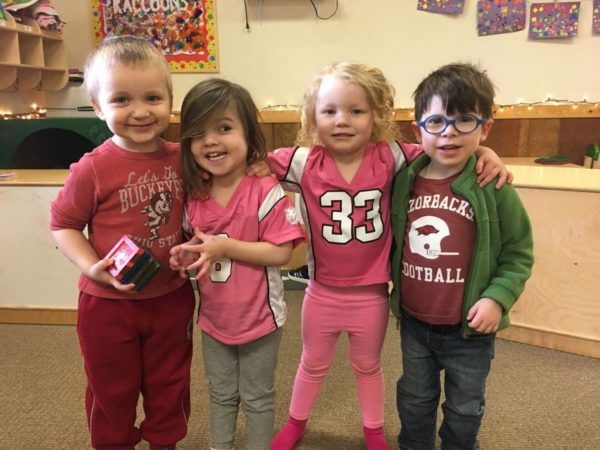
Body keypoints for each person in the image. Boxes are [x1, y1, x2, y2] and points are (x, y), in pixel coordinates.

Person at [254, 61, 510, 450]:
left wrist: (487, 151)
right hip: (321, 292)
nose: (343, 121)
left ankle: (373, 431)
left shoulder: (393, 156)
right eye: (329, 111)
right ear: (312, 118)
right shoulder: (301, 161)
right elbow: (249, 164)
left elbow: (444, 147)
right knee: (312, 363)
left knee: (368, 366)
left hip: (372, 294)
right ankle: (295, 423)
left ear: (376, 117)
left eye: (356, 111)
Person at [49, 36, 195, 450]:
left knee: (170, 381)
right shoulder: (92, 168)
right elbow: (63, 224)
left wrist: (193, 244)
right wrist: (91, 266)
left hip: (171, 297)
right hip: (107, 304)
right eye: (121, 100)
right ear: (98, 107)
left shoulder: (183, 157)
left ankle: (165, 441)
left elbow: (201, 211)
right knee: (111, 387)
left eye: (152, 97)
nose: (140, 111)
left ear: (170, 99)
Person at [390, 63, 534, 450]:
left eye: (464, 120)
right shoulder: (402, 179)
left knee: (465, 407)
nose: (449, 131)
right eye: (436, 121)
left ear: (485, 128)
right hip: (416, 325)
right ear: (417, 129)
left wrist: (497, 298)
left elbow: (519, 253)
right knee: (414, 398)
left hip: (469, 332)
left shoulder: (494, 185)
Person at [169, 78, 305, 450]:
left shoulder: (264, 189)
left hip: (261, 320)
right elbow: (197, 245)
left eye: (224, 128)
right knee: (221, 393)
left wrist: (225, 248)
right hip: (214, 321)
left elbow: (281, 253)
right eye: (198, 133)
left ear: (249, 135)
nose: (211, 141)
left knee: (258, 397)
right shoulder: (194, 193)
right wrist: (187, 253)